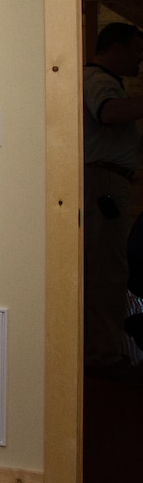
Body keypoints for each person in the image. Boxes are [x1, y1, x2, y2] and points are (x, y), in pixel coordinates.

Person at [83, 22, 143, 377]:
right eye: (136, 50)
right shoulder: (97, 80)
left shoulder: (107, 81)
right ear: (116, 49)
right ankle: (101, 357)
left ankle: (103, 349)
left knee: (109, 267)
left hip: (109, 184)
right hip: (103, 185)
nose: (139, 59)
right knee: (105, 269)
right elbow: (107, 112)